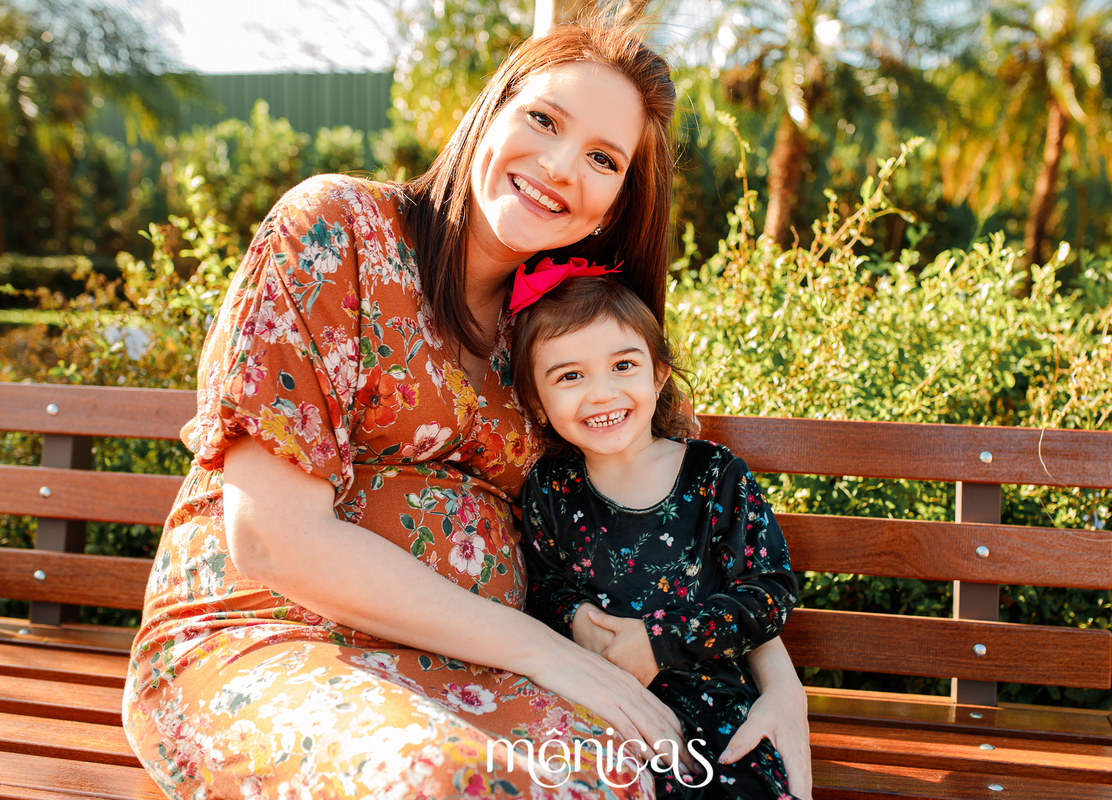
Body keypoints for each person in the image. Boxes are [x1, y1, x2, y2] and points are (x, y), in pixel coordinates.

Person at [122, 18, 810, 800]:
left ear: (615, 206)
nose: (558, 166)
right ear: (491, 110)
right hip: (278, 637)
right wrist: (547, 654)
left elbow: (686, 513)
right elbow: (273, 540)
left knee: (643, 782)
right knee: (452, 784)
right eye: (544, 120)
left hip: (483, 671)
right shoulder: (336, 232)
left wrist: (780, 684)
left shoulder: (556, 336)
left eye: (601, 159)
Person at [511, 268, 807, 799]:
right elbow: (544, 584)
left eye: (623, 365)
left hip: (710, 698)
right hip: (595, 697)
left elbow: (770, 592)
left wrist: (660, 641)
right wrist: (575, 618)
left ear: (659, 373)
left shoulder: (714, 475)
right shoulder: (551, 487)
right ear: (536, 402)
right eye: (569, 376)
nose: (602, 393)